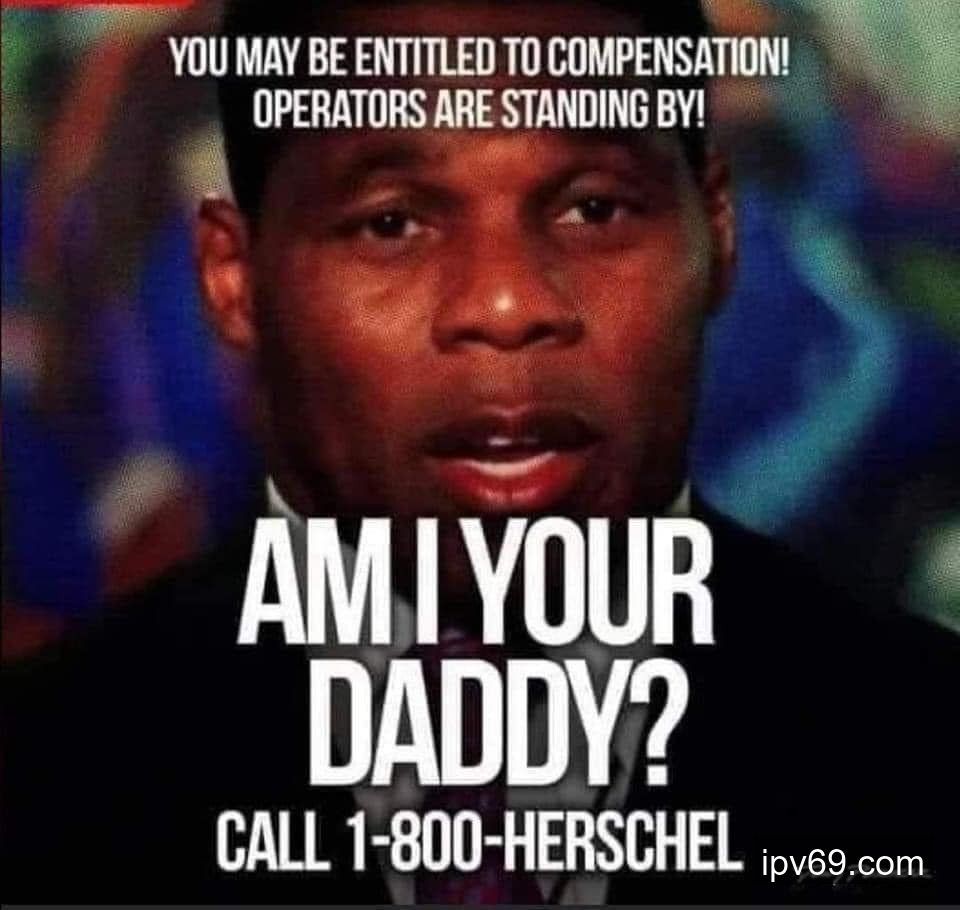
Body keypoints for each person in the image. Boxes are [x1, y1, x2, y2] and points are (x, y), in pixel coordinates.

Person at [3, 0, 957, 904]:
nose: (505, 305)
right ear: (234, 276)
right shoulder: (47, 788)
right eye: (391, 223)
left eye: (594, 209)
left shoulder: (919, 755)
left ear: (717, 229)